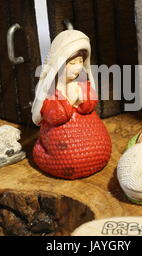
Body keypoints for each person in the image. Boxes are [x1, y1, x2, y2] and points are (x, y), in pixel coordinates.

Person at [31, 29, 111, 180]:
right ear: (59, 64)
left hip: (91, 137)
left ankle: (95, 156)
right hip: (62, 146)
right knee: (66, 157)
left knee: (99, 148)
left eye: (80, 62)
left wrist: (82, 99)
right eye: (72, 63)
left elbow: (90, 103)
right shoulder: (52, 92)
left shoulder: (81, 84)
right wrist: (68, 102)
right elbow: (54, 117)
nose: (77, 67)